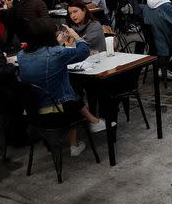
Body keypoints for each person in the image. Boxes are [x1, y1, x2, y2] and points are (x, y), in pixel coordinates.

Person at [17, 18, 106, 156]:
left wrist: (57, 43)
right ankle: (83, 133)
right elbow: (84, 51)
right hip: (58, 112)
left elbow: (45, 55)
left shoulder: (21, 55)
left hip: (33, 111)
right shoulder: (57, 53)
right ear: (48, 35)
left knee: (71, 88)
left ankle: (92, 123)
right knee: (73, 91)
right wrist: (75, 35)